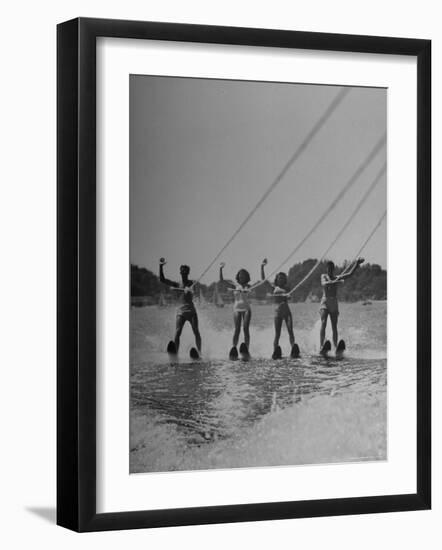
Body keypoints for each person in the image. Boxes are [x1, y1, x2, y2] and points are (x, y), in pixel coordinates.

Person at [319, 257, 365, 350]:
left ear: (333, 269)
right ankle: (321, 345)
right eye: (329, 268)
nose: (330, 270)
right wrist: (337, 281)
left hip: (334, 302)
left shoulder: (337, 277)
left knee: (334, 325)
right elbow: (324, 284)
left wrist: (356, 264)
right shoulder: (324, 276)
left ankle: (335, 346)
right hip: (325, 301)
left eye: (332, 268)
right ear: (327, 269)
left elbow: (349, 274)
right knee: (323, 322)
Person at [159, 258, 201, 356]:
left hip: (191, 311)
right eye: (182, 271)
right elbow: (162, 280)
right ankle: (175, 353)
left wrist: (190, 289)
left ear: (188, 273)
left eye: (186, 271)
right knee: (177, 332)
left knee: (196, 331)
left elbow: (196, 290)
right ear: (180, 272)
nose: (184, 273)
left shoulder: (192, 283)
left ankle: (200, 352)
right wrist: (160, 266)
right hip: (181, 312)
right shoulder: (177, 284)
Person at [261, 258, 299, 359]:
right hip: (278, 313)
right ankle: (275, 351)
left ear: (284, 279)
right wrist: (262, 267)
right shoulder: (273, 288)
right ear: (277, 279)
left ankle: (293, 349)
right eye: (279, 278)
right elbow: (264, 280)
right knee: (277, 334)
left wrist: (288, 296)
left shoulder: (287, 288)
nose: (281, 279)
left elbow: (290, 297)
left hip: (287, 312)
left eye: (283, 278)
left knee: (290, 331)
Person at [219, 262, 252, 359]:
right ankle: (234, 347)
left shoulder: (248, 286)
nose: (242, 277)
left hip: (246, 308)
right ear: (238, 276)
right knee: (237, 329)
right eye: (240, 275)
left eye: (244, 276)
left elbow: (250, 290)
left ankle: (247, 348)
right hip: (236, 308)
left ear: (246, 277)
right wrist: (221, 269)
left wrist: (246, 290)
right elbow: (222, 280)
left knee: (245, 328)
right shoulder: (234, 285)